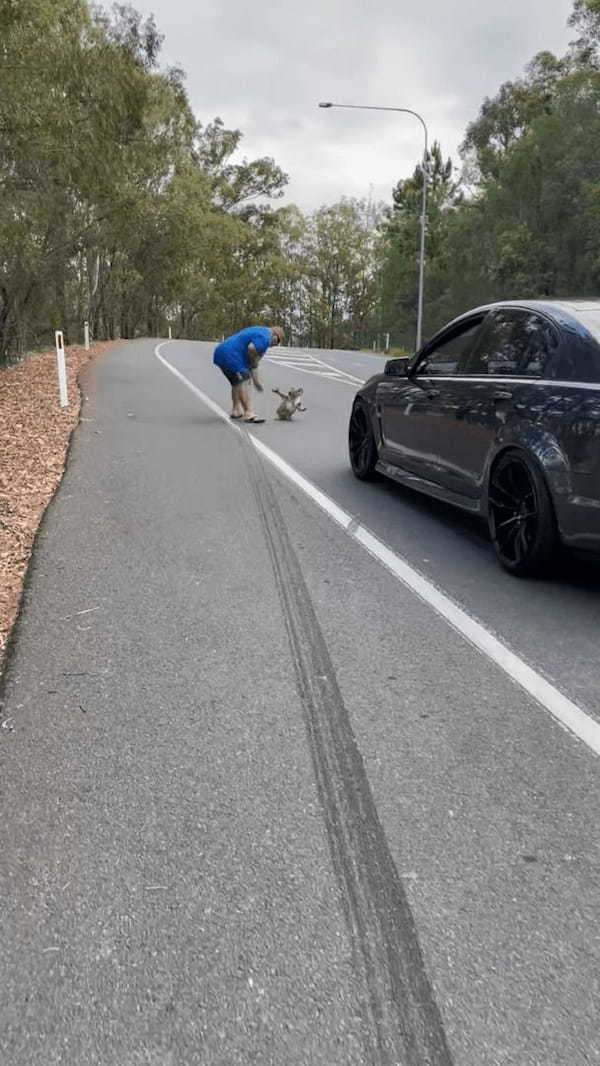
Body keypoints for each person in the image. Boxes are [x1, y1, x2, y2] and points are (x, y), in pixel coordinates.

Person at [213, 325, 284, 423]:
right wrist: (252, 365)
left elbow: (255, 364)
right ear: (275, 335)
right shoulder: (265, 338)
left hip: (221, 351)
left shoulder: (260, 331)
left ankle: (236, 410)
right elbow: (251, 349)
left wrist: (256, 382)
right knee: (244, 381)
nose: (274, 345)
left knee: (236, 382)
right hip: (231, 355)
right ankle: (248, 413)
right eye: (277, 342)